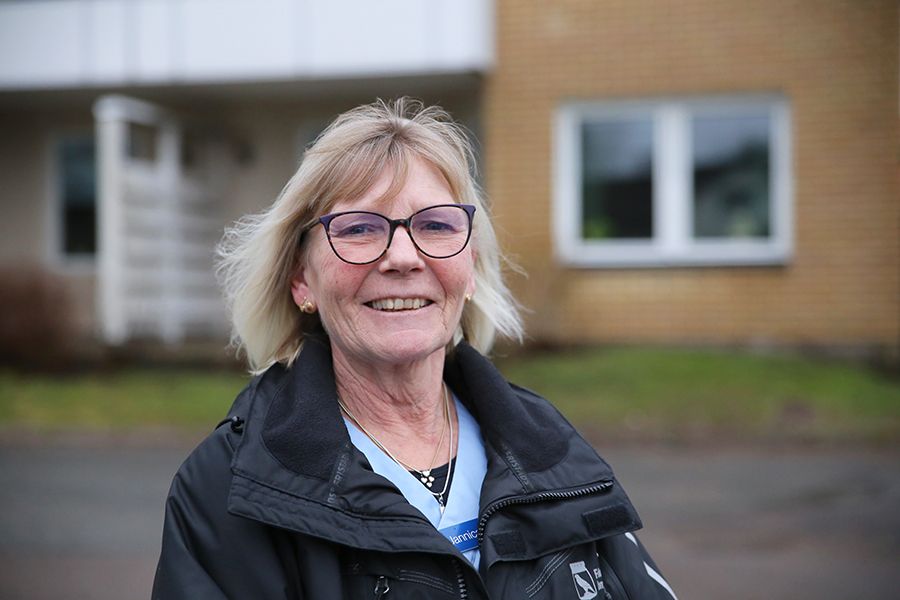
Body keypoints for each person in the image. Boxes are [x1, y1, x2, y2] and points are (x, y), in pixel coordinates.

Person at [152, 98, 677, 600]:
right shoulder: (228, 488)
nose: (403, 257)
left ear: (469, 267)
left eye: (435, 224)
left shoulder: (549, 451)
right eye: (358, 228)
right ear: (300, 280)